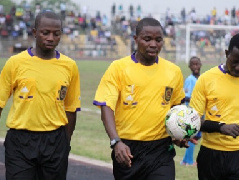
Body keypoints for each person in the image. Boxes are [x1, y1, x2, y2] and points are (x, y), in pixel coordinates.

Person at [93, 17, 187, 180]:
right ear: (136, 39)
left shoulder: (174, 71)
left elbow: (177, 108)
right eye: (147, 39)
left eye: (158, 40)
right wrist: (116, 142)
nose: (153, 44)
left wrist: (178, 134)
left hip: (161, 149)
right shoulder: (118, 68)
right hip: (128, 150)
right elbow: (106, 106)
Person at [0, 11, 81, 179]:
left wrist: (65, 142)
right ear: (35, 32)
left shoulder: (69, 66)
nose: (51, 38)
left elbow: (71, 108)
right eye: (45, 33)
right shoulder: (15, 63)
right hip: (20, 140)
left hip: (55, 141)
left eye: (56, 33)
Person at [190, 33, 239, 180]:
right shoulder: (206, 79)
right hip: (212, 155)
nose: (238, 67)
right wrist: (220, 127)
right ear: (227, 54)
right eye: (235, 61)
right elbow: (193, 121)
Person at [180, 56, 202, 166]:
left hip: (200, 112)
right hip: (192, 112)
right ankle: (188, 161)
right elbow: (186, 97)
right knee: (193, 136)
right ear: (189, 66)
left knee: (197, 136)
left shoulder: (201, 79)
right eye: (193, 64)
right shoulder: (190, 80)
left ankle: (184, 160)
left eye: (197, 64)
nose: (195, 66)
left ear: (200, 65)